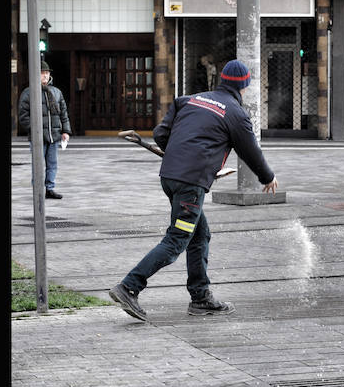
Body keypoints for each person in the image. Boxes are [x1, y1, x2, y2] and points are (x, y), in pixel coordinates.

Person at [109, 59, 278, 322]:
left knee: (200, 235)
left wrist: (181, 155)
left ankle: (200, 298)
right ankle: (129, 286)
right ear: (244, 87)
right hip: (191, 184)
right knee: (177, 239)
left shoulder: (188, 100)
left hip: (170, 177)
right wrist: (267, 177)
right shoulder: (235, 113)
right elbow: (250, 152)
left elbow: (161, 134)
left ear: (221, 80)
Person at [17, 60, 72, 200]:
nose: (45, 76)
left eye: (47, 73)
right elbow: (23, 116)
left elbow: (63, 114)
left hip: (54, 135)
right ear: (36, 75)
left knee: (52, 163)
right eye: (42, 73)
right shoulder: (28, 92)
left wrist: (65, 131)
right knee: (38, 164)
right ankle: (38, 189)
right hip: (38, 137)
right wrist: (35, 130)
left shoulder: (56, 92)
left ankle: (50, 188)